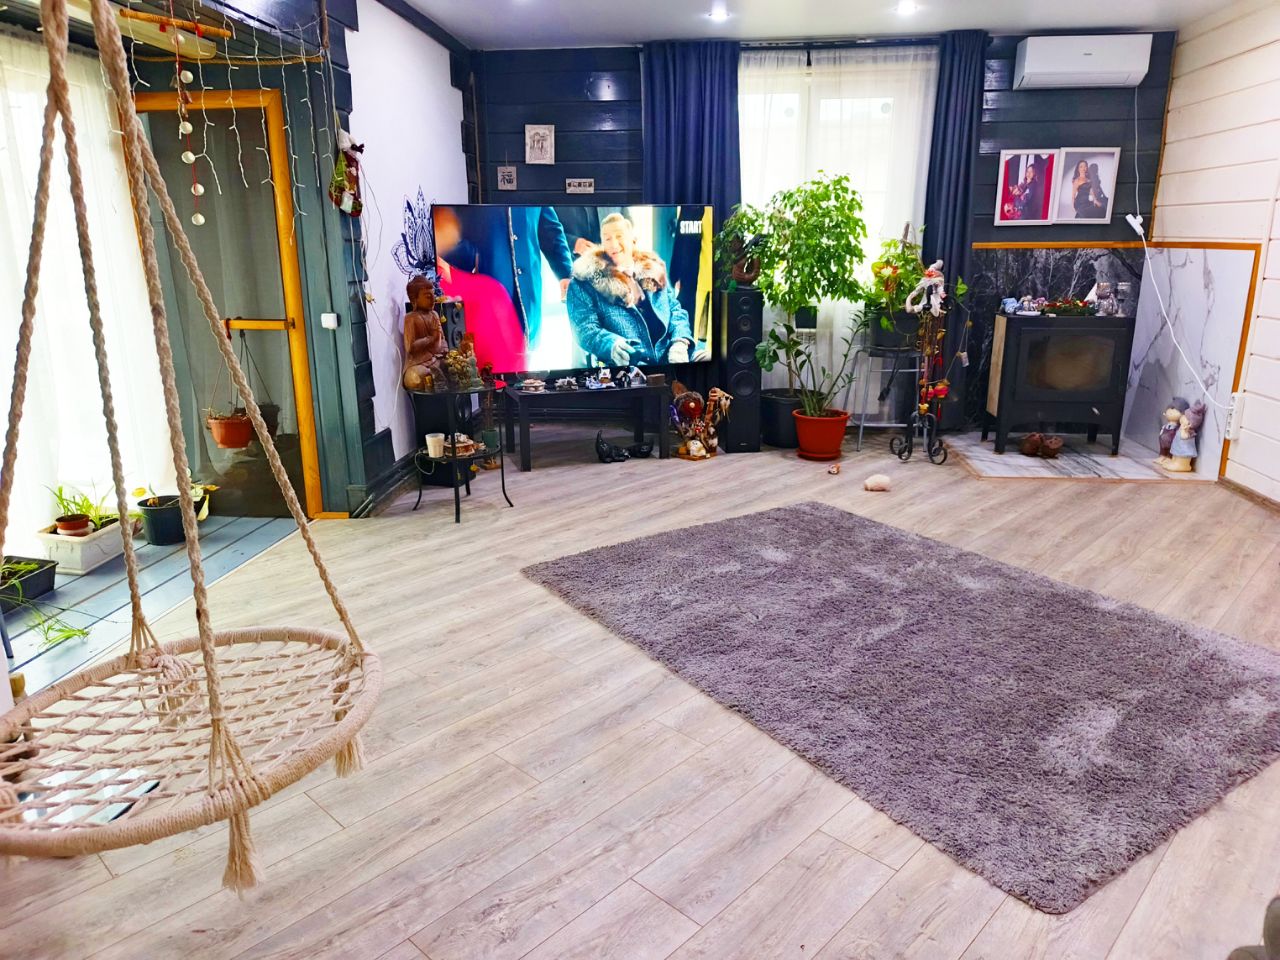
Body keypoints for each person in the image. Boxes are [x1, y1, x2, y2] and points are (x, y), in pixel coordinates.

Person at [565, 213, 693, 366]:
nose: (613, 244)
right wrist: (613, 345)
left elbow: (675, 310)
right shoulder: (583, 283)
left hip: (671, 359)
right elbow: (585, 329)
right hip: (626, 366)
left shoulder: (655, 270)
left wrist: (680, 342)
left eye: (619, 236)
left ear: (633, 240)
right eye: (607, 239)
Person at [402, 276, 446, 391]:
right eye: (428, 296)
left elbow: (442, 339)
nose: (433, 299)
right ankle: (436, 379)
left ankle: (438, 377)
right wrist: (431, 338)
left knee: (456, 366)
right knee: (414, 378)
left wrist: (445, 350)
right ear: (414, 299)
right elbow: (410, 347)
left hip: (436, 359)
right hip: (419, 363)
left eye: (433, 295)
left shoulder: (434, 315)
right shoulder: (411, 318)